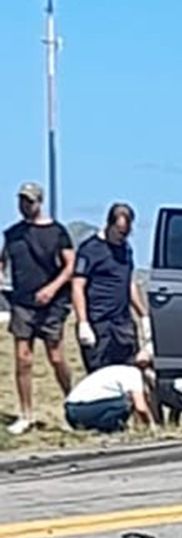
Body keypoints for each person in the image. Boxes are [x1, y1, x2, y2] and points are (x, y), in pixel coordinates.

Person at [0, 182, 76, 435]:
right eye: (22, 200)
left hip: (52, 304)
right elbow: (4, 260)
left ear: (39, 202)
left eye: (29, 201)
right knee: (23, 359)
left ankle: (72, 404)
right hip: (22, 302)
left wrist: (52, 289)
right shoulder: (12, 234)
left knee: (56, 356)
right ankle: (26, 413)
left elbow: (69, 266)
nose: (25, 205)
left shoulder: (57, 232)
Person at [72, 202, 150, 373]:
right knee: (100, 375)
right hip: (99, 323)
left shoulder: (126, 249)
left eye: (126, 233)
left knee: (131, 372)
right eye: (120, 231)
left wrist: (143, 315)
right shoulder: (90, 249)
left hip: (122, 324)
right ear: (109, 225)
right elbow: (77, 286)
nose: (123, 236)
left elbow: (129, 283)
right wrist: (83, 322)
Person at [63, 348, 156, 433]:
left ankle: (100, 427)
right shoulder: (134, 374)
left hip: (72, 410)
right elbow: (141, 407)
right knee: (127, 402)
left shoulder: (121, 371)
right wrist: (151, 426)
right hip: (81, 408)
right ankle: (112, 427)